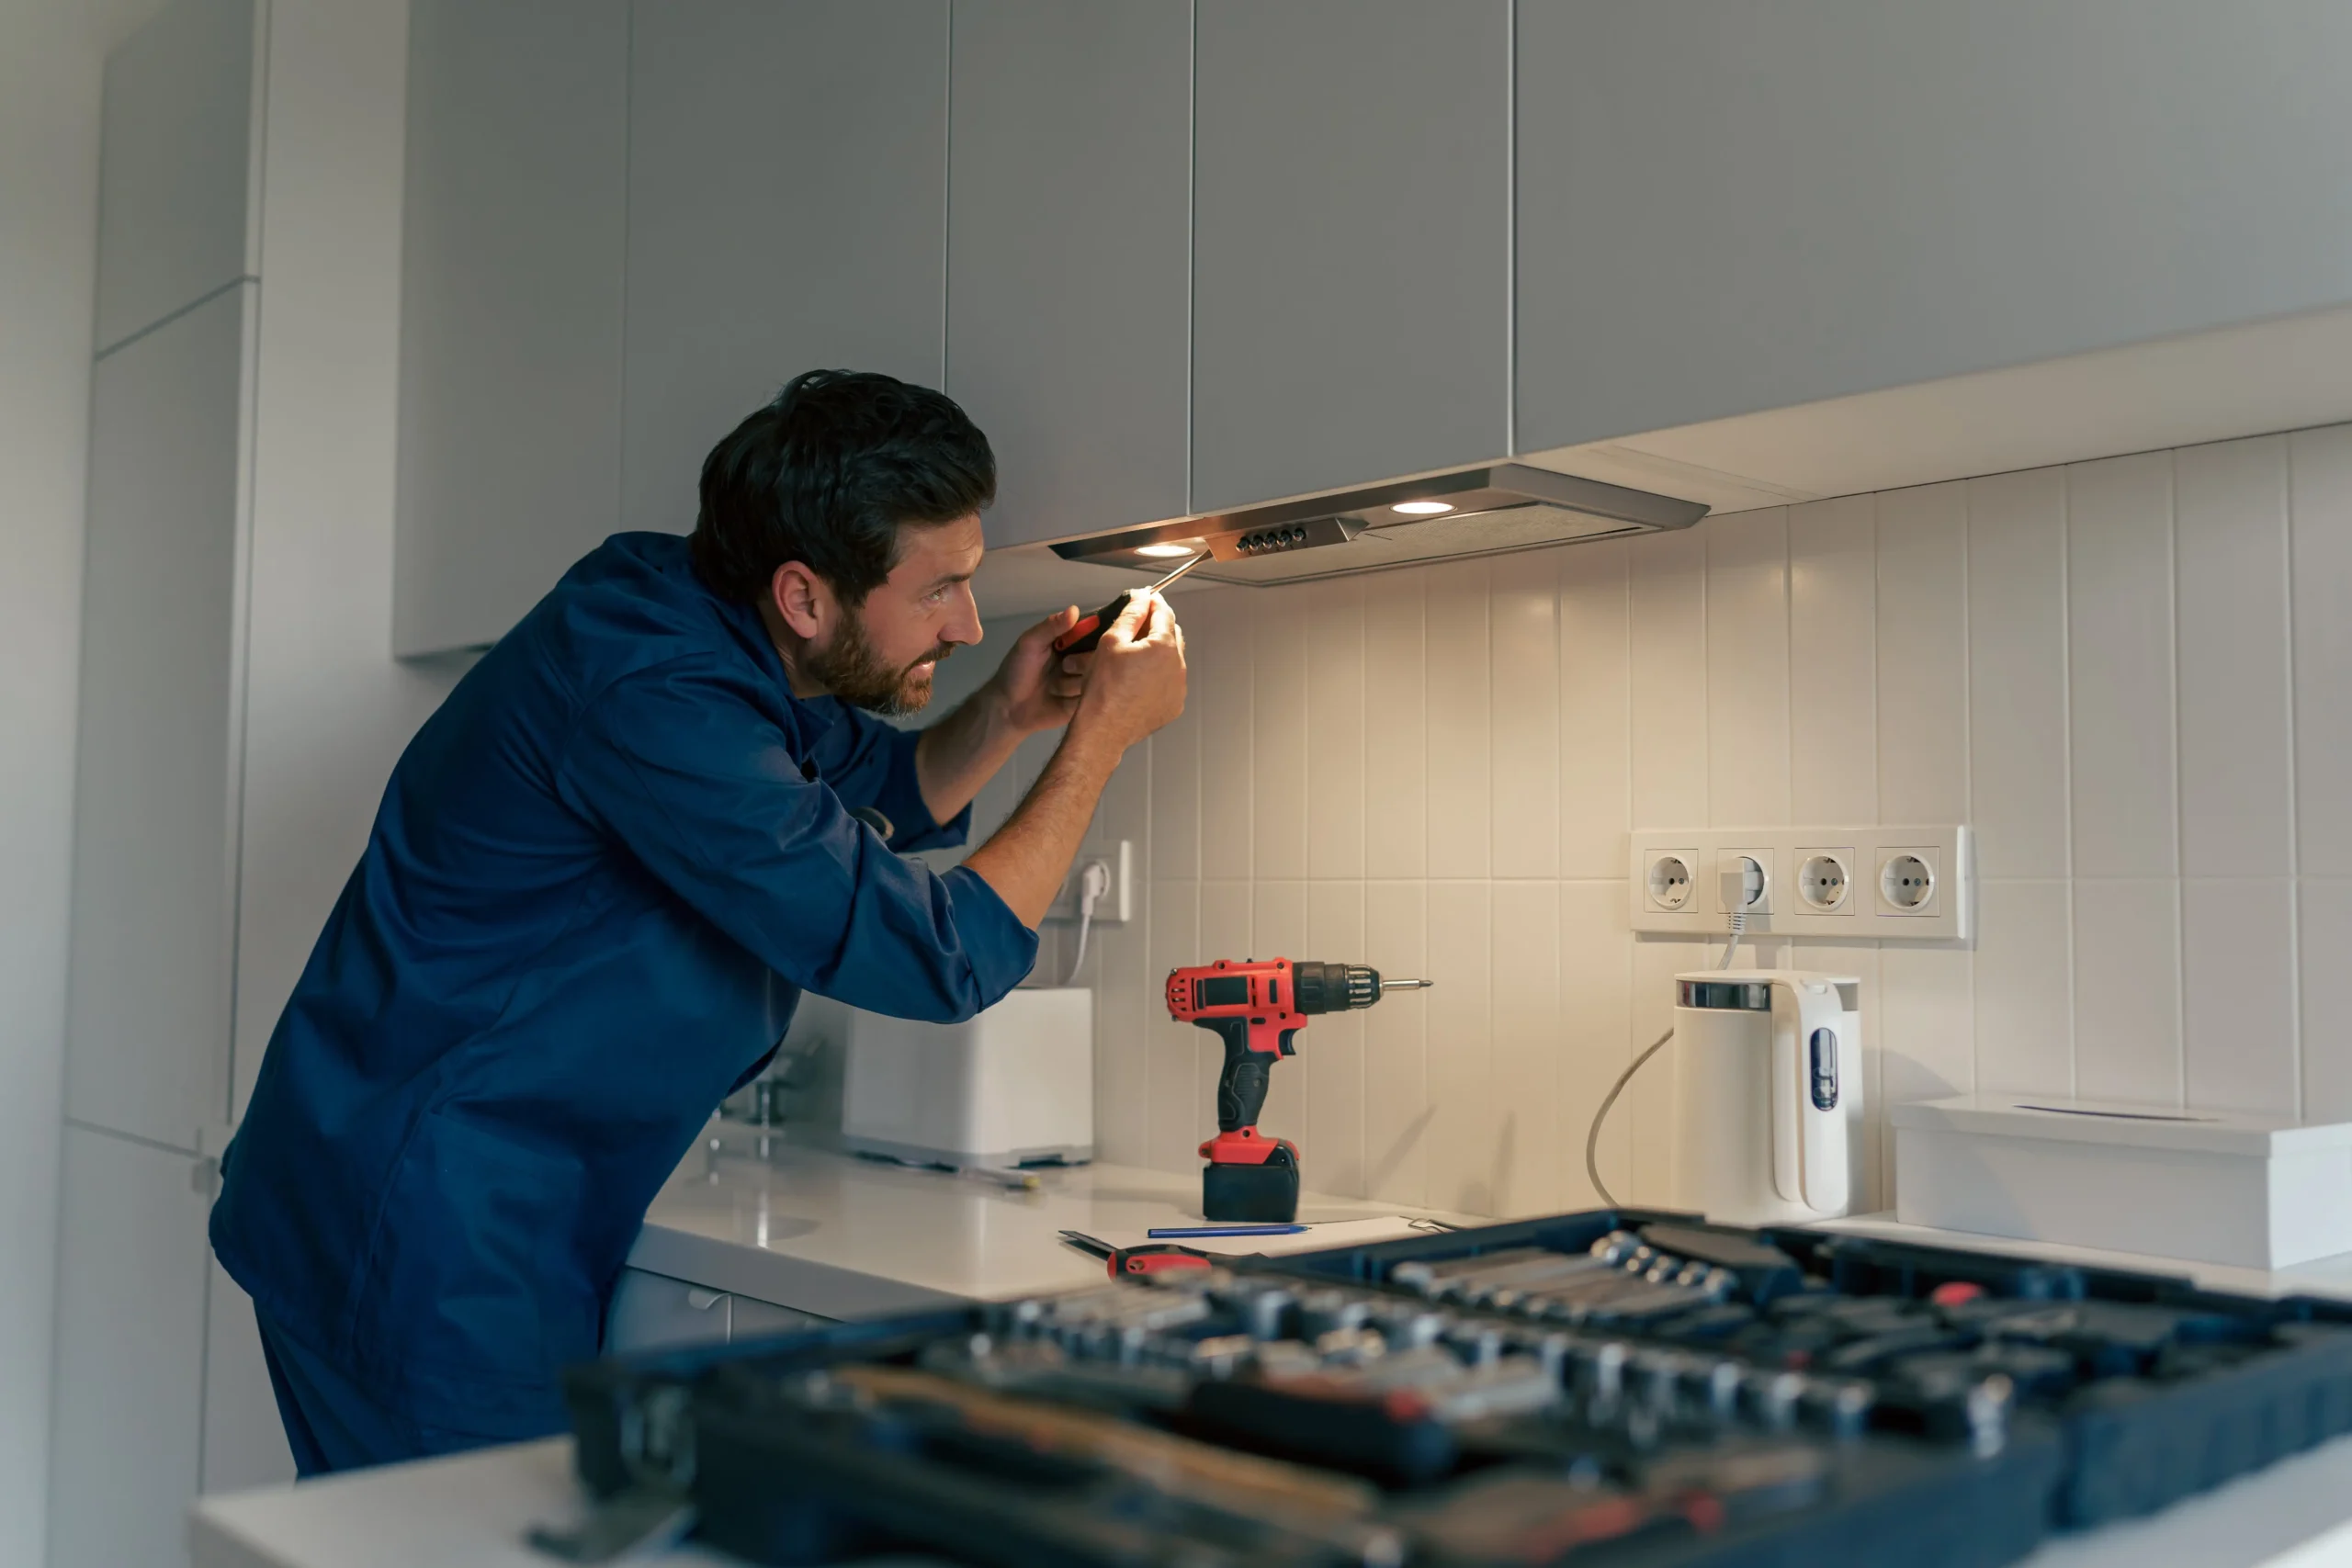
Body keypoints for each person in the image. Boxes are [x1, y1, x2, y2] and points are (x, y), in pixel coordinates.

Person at [209, 368, 1188, 1474]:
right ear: (804, 596)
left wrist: (1012, 712)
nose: (967, 622)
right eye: (940, 590)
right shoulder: (654, 690)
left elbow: (892, 789)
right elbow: (940, 957)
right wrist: (1098, 741)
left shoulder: (696, 615)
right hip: (423, 1217)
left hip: (481, 1192)